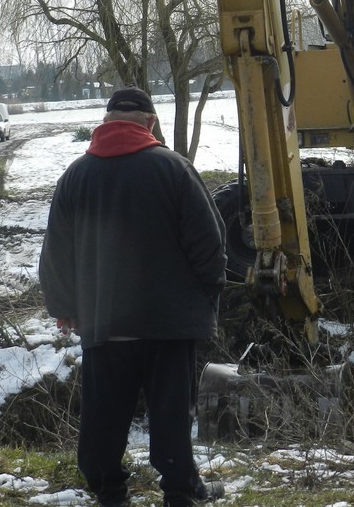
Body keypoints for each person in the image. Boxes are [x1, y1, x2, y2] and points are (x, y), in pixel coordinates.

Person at [39, 86, 227, 507]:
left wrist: (65, 306)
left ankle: (110, 493)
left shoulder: (75, 176)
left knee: (103, 419)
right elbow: (210, 246)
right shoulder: (174, 169)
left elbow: (55, 254)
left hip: (105, 323)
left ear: (104, 124)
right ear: (151, 123)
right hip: (169, 325)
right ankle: (181, 492)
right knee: (172, 417)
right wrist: (208, 294)